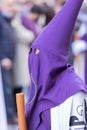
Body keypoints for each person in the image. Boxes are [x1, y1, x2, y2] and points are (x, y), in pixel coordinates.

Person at [26, 0, 87, 130]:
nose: (34, 58)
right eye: (33, 51)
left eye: (38, 52)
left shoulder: (73, 90)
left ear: (53, 56)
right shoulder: (40, 86)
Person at [0, 0, 17, 124]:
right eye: (9, 5)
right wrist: (2, 57)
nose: (12, 8)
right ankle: (9, 116)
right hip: (4, 60)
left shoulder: (6, 19)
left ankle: (11, 114)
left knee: (9, 87)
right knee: (6, 89)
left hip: (9, 59)